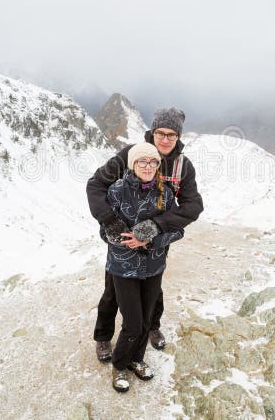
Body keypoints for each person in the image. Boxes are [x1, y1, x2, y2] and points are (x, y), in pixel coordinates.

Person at [87, 107, 204, 362]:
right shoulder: (132, 155)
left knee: (153, 285)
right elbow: (96, 185)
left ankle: (151, 326)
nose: (164, 139)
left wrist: (155, 227)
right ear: (151, 132)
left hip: (156, 239)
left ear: (178, 137)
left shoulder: (182, 166)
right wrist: (110, 222)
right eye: (160, 132)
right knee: (113, 288)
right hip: (123, 238)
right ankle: (104, 335)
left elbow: (193, 206)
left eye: (171, 135)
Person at [102, 143, 185, 392]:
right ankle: (119, 366)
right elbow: (104, 232)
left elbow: (178, 230)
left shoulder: (166, 194)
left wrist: (151, 238)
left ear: (158, 165)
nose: (148, 167)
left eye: (153, 162)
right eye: (142, 162)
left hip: (154, 267)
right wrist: (132, 241)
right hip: (123, 268)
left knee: (147, 320)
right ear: (132, 164)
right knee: (134, 323)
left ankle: (137, 359)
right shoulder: (116, 191)